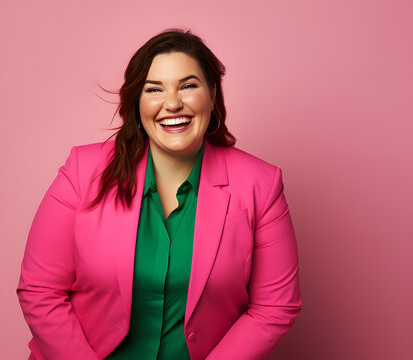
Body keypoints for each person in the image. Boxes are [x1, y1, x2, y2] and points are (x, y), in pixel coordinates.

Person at [16, 29, 301, 360]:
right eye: (154, 89)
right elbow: (40, 290)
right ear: (137, 102)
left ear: (212, 94)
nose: (172, 103)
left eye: (188, 85)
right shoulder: (82, 171)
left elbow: (275, 307)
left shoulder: (261, 184)